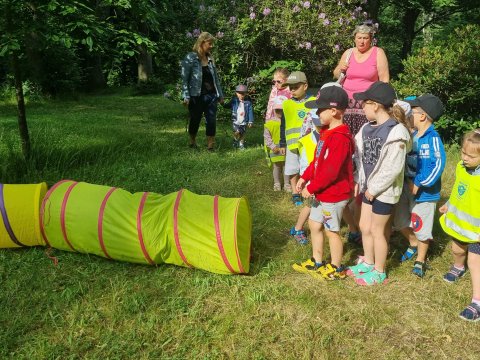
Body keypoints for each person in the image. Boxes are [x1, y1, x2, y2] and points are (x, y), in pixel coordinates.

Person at [345, 81, 411, 286]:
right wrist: (358, 180)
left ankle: (379, 270)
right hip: (368, 188)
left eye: (364, 103)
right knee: (364, 226)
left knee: (378, 230)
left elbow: (393, 167)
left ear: (375, 105)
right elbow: (359, 158)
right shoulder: (366, 128)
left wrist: (374, 189)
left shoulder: (396, 132)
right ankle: (368, 260)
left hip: (384, 191)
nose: (361, 108)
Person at [333, 23, 390, 243]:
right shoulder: (348, 53)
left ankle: (363, 182)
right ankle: (346, 179)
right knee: (346, 147)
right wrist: (342, 69)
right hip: (347, 107)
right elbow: (336, 72)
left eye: (366, 38)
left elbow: (384, 80)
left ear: (371, 39)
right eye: (358, 37)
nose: (362, 41)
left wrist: (379, 104)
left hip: (367, 107)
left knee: (364, 148)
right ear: (354, 38)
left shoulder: (378, 53)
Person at [292, 86, 354, 280]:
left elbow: (331, 172)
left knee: (331, 231)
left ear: (334, 111)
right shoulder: (326, 133)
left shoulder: (340, 138)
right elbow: (317, 161)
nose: (317, 113)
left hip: (334, 195)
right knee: (314, 223)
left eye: (320, 110)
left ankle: (336, 267)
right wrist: (305, 177)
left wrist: (311, 187)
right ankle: (316, 261)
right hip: (322, 193)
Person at [395, 94, 446, 277]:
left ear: (422, 116)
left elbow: (438, 164)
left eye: (412, 112)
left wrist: (420, 183)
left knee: (421, 227)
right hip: (405, 188)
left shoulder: (433, 138)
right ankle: (413, 242)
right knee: (400, 221)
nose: (409, 115)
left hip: (425, 194)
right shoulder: (412, 135)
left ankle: (420, 260)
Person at [439, 129, 480, 321]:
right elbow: (458, 189)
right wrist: (449, 204)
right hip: (459, 224)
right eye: (463, 153)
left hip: (477, 232)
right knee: (457, 250)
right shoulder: (461, 168)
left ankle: (477, 301)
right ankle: (457, 266)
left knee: (475, 262)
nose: (465, 158)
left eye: (471, 156)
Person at [181, 32, 224, 151]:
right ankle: (192, 141)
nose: (211, 46)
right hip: (196, 96)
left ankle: (210, 146)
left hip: (211, 96)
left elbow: (215, 79)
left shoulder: (210, 58)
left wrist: (220, 95)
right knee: (195, 120)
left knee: (211, 120)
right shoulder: (190, 57)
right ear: (202, 43)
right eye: (210, 43)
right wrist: (186, 96)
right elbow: (184, 79)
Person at [280, 71, 316, 206]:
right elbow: (283, 124)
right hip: (292, 143)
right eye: (290, 87)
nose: (292, 90)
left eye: (296, 87)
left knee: (308, 166)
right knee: (292, 168)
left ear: (305, 86)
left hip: (308, 143)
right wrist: (282, 143)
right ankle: (295, 192)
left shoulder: (313, 102)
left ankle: (307, 189)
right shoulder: (287, 104)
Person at [264, 95, 289, 191]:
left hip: (286, 148)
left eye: (282, 110)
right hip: (275, 149)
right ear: (274, 110)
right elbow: (267, 137)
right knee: (276, 166)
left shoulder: (288, 122)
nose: (280, 112)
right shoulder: (269, 124)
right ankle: (277, 183)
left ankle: (287, 184)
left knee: (286, 166)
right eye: (278, 110)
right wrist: (272, 146)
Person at [223, 84, 254, 149]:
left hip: (244, 121)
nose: (241, 95)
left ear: (246, 93)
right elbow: (228, 105)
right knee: (237, 132)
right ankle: (235, 141)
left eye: (243, 93)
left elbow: (250, 112)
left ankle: (241, 144)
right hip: (236, 121)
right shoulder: (234, 100)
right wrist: (222, 103)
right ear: (236, 93)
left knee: (242, 133)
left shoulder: (248, 102)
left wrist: (250, 121)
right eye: (239, 93)